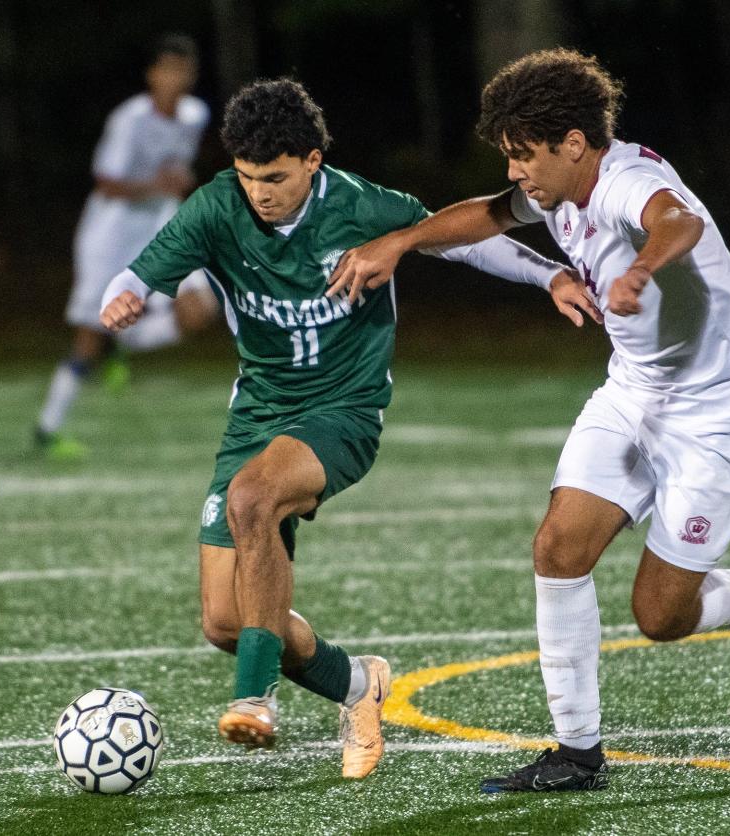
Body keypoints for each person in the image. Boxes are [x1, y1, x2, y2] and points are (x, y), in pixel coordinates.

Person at [327, 48, 730, 792]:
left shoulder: (626, 183)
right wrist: (400, 242)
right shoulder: (557, 188)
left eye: (524, 155)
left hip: (717, 420)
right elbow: (485, 215)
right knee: (557, 549)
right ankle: (577, 753)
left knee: (659, 614)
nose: (516, 170)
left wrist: (642, 270)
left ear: (574, 144)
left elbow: (675, 221)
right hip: (634, 394)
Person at [99, 77, 593, 778]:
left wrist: (550, 277)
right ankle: (359, 686)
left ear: (311, 161)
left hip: (342, 412)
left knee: (251, 499)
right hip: (257, 414)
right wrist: (121, 298)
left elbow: (458, 242)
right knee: (225, 622)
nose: (259, 193)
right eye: (247, 177)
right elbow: (137, 273)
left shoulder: (360, 206)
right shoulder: (217, 208)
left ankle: (255, 700)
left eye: (274, 177)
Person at [35, 33, 218, 461]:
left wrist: (176, 184)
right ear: (152, 75)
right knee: (88, 338)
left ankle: (125, 344)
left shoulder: (195, 114)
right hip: (111, 231)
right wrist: (158, 184)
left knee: (200, 310)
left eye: (183, 70)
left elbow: (177, 168)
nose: (175, 79)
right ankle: (48, 427)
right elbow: (107, 182)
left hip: (160, 224)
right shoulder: (129, 119)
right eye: (167, 70)